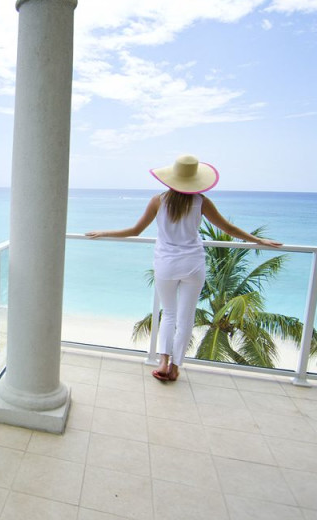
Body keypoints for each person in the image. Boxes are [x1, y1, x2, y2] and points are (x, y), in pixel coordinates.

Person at [86, 155, 282, 382]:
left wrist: (104, 232)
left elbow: (135, 230)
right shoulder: (201, 202)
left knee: (168, 314)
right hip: (193, 265)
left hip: (166, 265)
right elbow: (228, 228)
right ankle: (176, 367)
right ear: (194, 179)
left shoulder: (158, 201)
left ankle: (163, 361)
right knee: (186, 316)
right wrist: (258, 240)